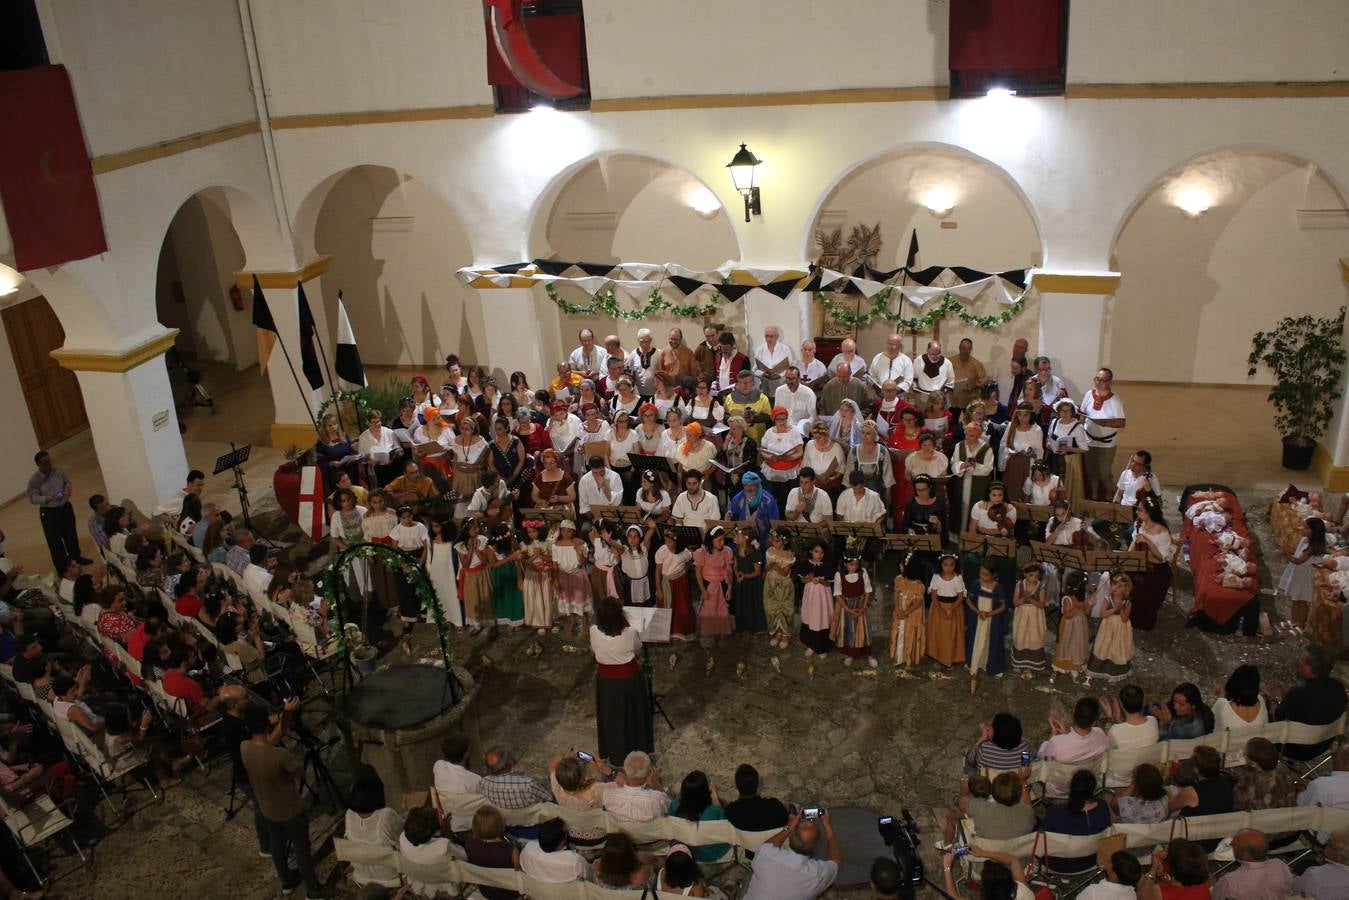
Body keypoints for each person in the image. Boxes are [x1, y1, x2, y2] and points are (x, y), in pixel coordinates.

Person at [241, 703, 332, 898]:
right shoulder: (279, 755)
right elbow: (300, 774)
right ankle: (313, 890)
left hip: (267, 808)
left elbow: (265, 748)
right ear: (267, 724)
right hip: (289, 810)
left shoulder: (244, 747)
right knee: (302, 849)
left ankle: (286, 882)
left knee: (277, 844)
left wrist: (286, 716)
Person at [590, 597, 652, 764]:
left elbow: (595, 649)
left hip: (606, 682)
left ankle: (614, 752)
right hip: (628, 680)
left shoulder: (593, 631)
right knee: (632, 715)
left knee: (611, 717)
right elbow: (637, 647)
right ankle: (635, 750)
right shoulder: (630, 633)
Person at [1270, 643, 1347, 762]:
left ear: (1310, 668)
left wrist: (1271, 700)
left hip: (1294, 749)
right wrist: (1291, 693)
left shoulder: (1298, 696)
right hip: (1324, 743)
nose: (1297, 665)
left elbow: (1277, 720)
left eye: (1300, 662)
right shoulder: (1338, 688)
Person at [743, 811, 839, 900]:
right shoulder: (818, 875)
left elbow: (768, 845)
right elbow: (835, 861)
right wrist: (827, 826)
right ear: (817, 845)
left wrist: (789, 827)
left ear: (790, 838)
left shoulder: (765, 855)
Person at [1040, 769, 1112, 875]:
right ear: (1093, 789)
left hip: (1056, 865)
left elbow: (1043, 838)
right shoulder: (1102, 807)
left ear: (1071, 787)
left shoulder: (1054, 812)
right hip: (1091, 861)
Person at [1039, 697, 1110, 799]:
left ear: (1074, 715)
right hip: (1087, 785)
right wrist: (1065, 735)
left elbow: (1042, 755)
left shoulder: (1056, 743)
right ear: (1094, 721)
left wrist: (1054, 734)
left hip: (1059, 790)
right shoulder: (1100, 735)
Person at [27, 451, 88, 569]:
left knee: (71, 535)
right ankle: (62, 568)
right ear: (38, 464)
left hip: (65, 508)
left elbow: (67, 482)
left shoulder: (58, 471)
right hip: (50, 513)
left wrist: (68, 488)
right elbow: (32, 498)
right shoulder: (34, 480)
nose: (49, 464)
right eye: (45, 463)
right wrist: (47, 498)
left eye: (50, 461)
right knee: (55, 543)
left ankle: (77, 558)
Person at [344, 775, 404, 889]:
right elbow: (404, 833)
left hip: (361, 875)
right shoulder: (386, 815)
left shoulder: (349, 814)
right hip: (390, 877)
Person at [400, 805, 466, 897]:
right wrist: (448, 835)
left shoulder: (402, 838)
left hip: (418, 884)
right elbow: (464, 858)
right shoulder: (443, 846)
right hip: (445, 891)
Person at [1081, 368, 1126, 501]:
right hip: (1089, 439)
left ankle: (1108, 496)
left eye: (1103, 380)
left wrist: (1104, 423)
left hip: (1107, 443)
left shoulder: (1115, 400)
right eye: (1097, 379)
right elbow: (1083, 413)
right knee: (1091, 470)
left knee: (1104, 471)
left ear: (1110, 382)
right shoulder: (1089, 394)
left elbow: (1121, 422)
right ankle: (1094, 496)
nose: (1099, 382)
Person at [1129, 497, 1174, 631]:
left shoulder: (1162, 531)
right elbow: (1134, 543)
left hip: (1158, 569)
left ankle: (1140, 621)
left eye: (1140, 510)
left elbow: (1161, 557)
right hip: (1141, 563)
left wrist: (1148, 541)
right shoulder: (1140, 524)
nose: (1137, 512)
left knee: (1140, 588)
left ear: (1149, 513)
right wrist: (1126, 557)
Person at [1209, 828, 1290, 900]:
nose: (1231, 844)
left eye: (1234, 845)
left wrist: (1212, 886)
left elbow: (1213, 897)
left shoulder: (1230, 882)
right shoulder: (1280, 865)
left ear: (1246, 854)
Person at [1104, 684, 1160, 787]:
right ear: (1142, 702)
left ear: (1120, 704)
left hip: (1120, 777)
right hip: (1144, 771)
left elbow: (1106, 748)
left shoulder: (1115, 731)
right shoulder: (1153, 721)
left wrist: (1110, 718)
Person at [669, 770, 730, 862]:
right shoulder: (714, 810)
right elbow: (724, 826)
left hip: (688, 852)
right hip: (713, 853)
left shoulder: (674, 805)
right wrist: (714, 795)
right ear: (705, 792)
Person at [831, 548, 877, 668]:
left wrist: (863, 607)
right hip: (846, 607)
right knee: (849, 630)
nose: (854, 567)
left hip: (860, 605)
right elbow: (838, 595)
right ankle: (851, 653)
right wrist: (848, 609)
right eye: (851, 564)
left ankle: (869, 654)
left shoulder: (863, 572)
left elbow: (867, 591)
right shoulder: (839, 575)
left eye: (856, 564)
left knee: (864, 630)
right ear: (845, 563)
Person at [966, 560, 1008, 689]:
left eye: (986, 575)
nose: (983, 577)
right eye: (981, 573)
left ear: (993, 575)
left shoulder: (998, 587)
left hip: (991, 619)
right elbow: (969, 600)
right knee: (975, 639)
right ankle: (974, 662)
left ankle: (990, 664)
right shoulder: (975, 584)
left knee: (992, 641)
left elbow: (1003, 606)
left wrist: (989, 614)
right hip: (978, 618)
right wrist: (978, 612)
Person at [1279, 516, 1326, 630]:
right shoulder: (1304, 540)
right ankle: (1293, 621)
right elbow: (1296, 552)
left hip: (1303, 575)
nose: (1301, 529)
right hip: (1297, 572)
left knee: (1302, 601)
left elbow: (1298, 561)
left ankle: (1301, 626)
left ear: (1313, 531)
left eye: (1305, 528)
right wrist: (1285, 547)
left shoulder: (1312, 547)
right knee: (1295, 599)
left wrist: (1284, 553)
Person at [465, 805, 521, 900]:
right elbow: (519, 875)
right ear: (499, 824)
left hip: (486, 891)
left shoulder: (469, 843)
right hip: (510, 893)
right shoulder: (511, 850)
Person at [1086, 573, 1135, 683]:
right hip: (1107, 628)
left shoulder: (1127, 603)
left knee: (1116, 649)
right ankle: (1092, 673)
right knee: (1103, 648)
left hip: (1120, 630)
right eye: (1114, 585)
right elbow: (1102, 614)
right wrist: (1113, 610)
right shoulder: (1107, 599)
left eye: (1119, 586)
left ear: (1126, 589)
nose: (1115, 588)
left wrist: (1121, 608)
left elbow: (1124, 619)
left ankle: (1113, 674)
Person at [1298, 743, 1349, 841]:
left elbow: (1301, 807)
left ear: (1337, 760)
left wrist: (1300, 790)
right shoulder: (1321, 785)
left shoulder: (1321, 785)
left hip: (1325, 840)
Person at [432, 735, 482, 835]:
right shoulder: (475, 780)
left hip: (448, 825)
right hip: (470, 828)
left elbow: (458, 772)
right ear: (466, 753)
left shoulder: (438, 766)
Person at [480, 748, 554, 812]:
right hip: (532, 824)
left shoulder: (483, 783)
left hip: (506, 822)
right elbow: (549, 799)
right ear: (509, 763)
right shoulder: (528, 785)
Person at [602, 750, 668, 822]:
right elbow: (671, 808)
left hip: (621, 832)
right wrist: (657, 785)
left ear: (625, 770)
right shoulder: (658, 798)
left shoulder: (607, 795)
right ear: (649, 773)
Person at [520, 816, 588, 883]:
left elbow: (523, 867)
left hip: (537, 890)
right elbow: (586, 878)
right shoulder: (575, 861)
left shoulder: (528, 849)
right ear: (562, 843)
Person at [927, 553, 967, 668]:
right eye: (945, 565)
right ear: (941, 565)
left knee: (951, 634)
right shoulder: (936, 577)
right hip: (938, 606)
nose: (948, 568)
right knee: (939, 632)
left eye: (951, 565)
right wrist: (940, 610)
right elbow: (934, 596)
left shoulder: (958, 578)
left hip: (953, 607)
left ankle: (952, 656)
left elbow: (960, 597)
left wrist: (952, 609)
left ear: (955, 565)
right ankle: (938, 655)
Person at [725, 763, 789, 832]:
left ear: (736, 786)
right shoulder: (775, 807)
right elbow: (786, 828)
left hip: (745, 842)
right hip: (774, 842)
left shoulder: (731, 812)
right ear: (757, 784)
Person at [1009, 563, 1048, 676]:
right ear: (1025, 574)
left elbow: (1041, 605)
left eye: (1037, 576)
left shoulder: (1041, 586)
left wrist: (1029, 599)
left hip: (1035, 616)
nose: (1034, 578)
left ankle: (1034, 663)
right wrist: (1024, 598)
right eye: (1031, 575)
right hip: (1022, 615)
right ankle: (1019, 663)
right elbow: (1015, 603)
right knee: (1021, 637)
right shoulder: (1020, 585)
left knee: (1034, 638)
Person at [799, 540, 834, 659]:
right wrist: (808, 579)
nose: (819, 555)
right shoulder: (805, 564)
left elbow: (828, 583)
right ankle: (811, 645)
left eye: (822, 552)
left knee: (821, 618)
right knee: (811, 618)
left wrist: (820, 580)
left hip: (822, 597)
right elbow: (802, 580)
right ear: (811, 551)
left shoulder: (826, 565)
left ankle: (822, 646)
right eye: (816, 552)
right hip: (810, 596)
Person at [1291, 831, 1349, 898]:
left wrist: (1291, 876)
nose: (1324, 848)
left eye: (1328, 844)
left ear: (1339, 857)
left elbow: (1294, 891)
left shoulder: (1316, 875)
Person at [1078, 851, 1146, 900]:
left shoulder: (1093, 891)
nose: (1107, 861)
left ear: (1113, 874)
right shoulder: (1131, 894)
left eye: (1110, 862)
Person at [754, 324, 794, 397]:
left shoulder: (785, 349)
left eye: (771, 336)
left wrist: (780, 375)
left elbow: (790, 368)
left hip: (781, 387)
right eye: (767, 336)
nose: (769, 339)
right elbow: (755, 370)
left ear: (777, 336)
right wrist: (763, 374)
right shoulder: (759, 350)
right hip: (765, 388)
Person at [949, 338, 988, 411]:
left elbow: (984, 380)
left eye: (968, 349)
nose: (965, 351)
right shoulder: (950, 361)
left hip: (970, 400)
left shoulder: (977, 364)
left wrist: (974, 386)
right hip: (954, 400)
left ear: (971, 350)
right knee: (952, 421)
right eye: (963, 348)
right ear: (959, 348)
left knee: (969, 421)